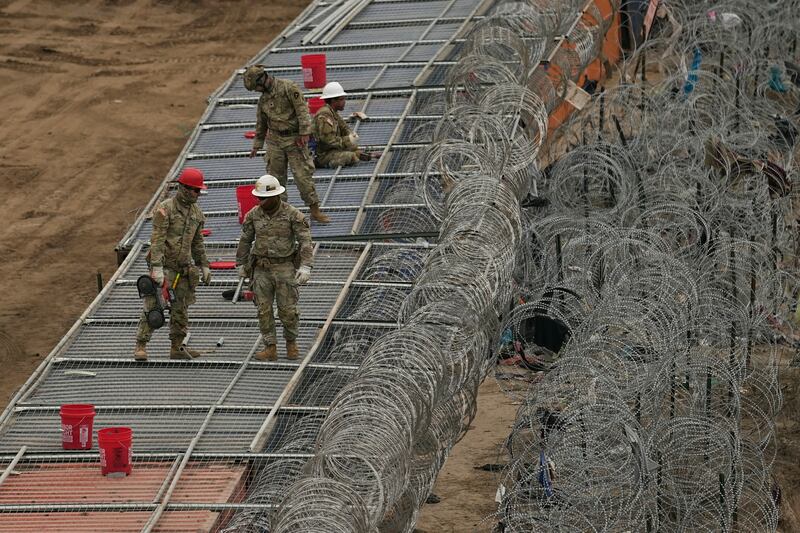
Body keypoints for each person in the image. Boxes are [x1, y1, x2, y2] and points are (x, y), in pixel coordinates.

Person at [134, 168, 212, 361]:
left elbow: (197, 242)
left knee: (180, 309)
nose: (197, 194)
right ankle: (141, 345)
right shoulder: (165, 209)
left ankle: (176, 347)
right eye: (194, 190)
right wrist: (156, 267)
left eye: (198, 191)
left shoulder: (196, 213)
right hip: (166, 266)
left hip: (183, 269)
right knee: (154, 306)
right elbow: (158, 239)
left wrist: (204, 264)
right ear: (184, 188)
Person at [235, 174, 314, 361]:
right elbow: (245, 240)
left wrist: (306, 266)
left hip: (284, 267)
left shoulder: (293, 215)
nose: (260, 202)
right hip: (261, 268)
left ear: (275, 196)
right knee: (263, 309)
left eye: (264, 199)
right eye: (259, 198)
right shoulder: (253, 215)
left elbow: (305, 241)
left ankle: (291, 344)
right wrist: (241, 264)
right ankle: (270, 347)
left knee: (288, 309)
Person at [243, 64, 330, 224]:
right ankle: (280, 214)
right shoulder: (263, 100)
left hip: (295, 140)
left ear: (263, 79)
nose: (257, 91)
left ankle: (315, 211)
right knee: (275, 180)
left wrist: (305, 132)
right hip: (275, 141)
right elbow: (261, 123)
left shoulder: (288, 88)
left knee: (303, 177)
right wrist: (257, 144)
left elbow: (302, 109)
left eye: (257, 87)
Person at [313, 81, 376, 168]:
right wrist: (348, 140)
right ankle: (322, 163)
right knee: (350, 157)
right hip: (324, 154)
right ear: (333, 101)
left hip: (333, 150)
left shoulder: (333, 113)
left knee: (355, 152)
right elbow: (328, 141)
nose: (344, 102)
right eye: (341, 99)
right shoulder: (324, 116)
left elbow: (344, 128)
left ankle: (359, 154)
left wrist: (353, 143)